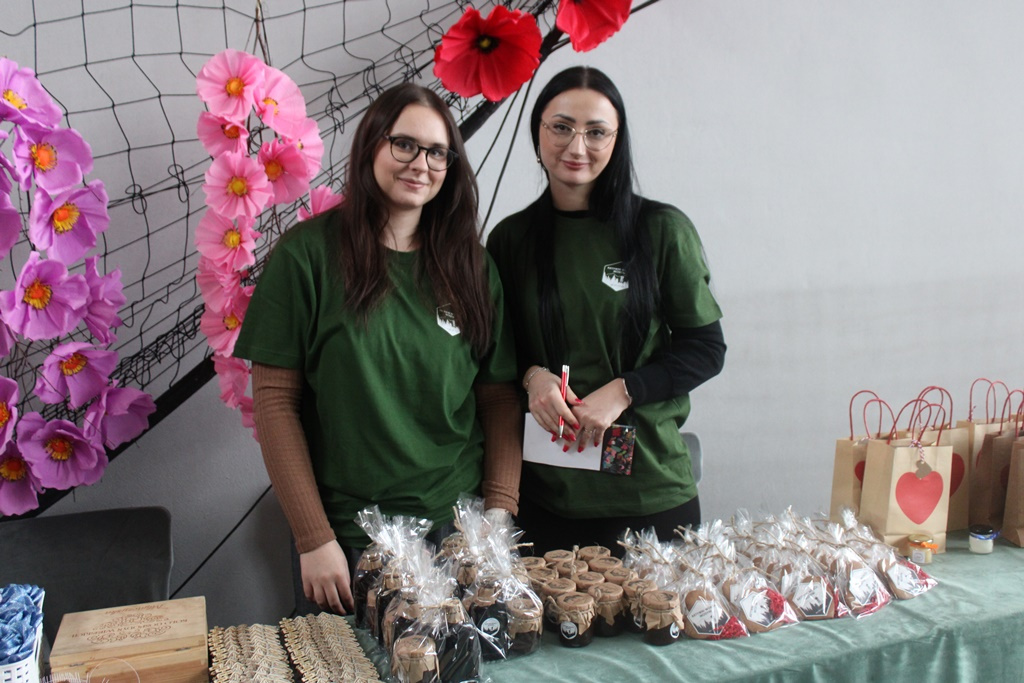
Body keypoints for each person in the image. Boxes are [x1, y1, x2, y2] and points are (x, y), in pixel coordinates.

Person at [234, 83, 521, 615]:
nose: (421, 164)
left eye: (438, 152)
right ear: (371, 145)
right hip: (345, 543)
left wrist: (498, 513)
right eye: (404, 144)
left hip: (457, 535)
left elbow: (499, 398)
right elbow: (275, 403)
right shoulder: (305, 257)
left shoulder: (473, 267)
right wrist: (313, 537)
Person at [486, 66, 726, 555]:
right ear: (538, 134)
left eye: (596, 132)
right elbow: (497, 357)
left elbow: (705, 349)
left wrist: (623, 390)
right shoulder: (511, 240)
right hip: (545, 497)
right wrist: (534, 378)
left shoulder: (661, 230)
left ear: (617, 141)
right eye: (561, 127)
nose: (577, 146)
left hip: (649, 495)